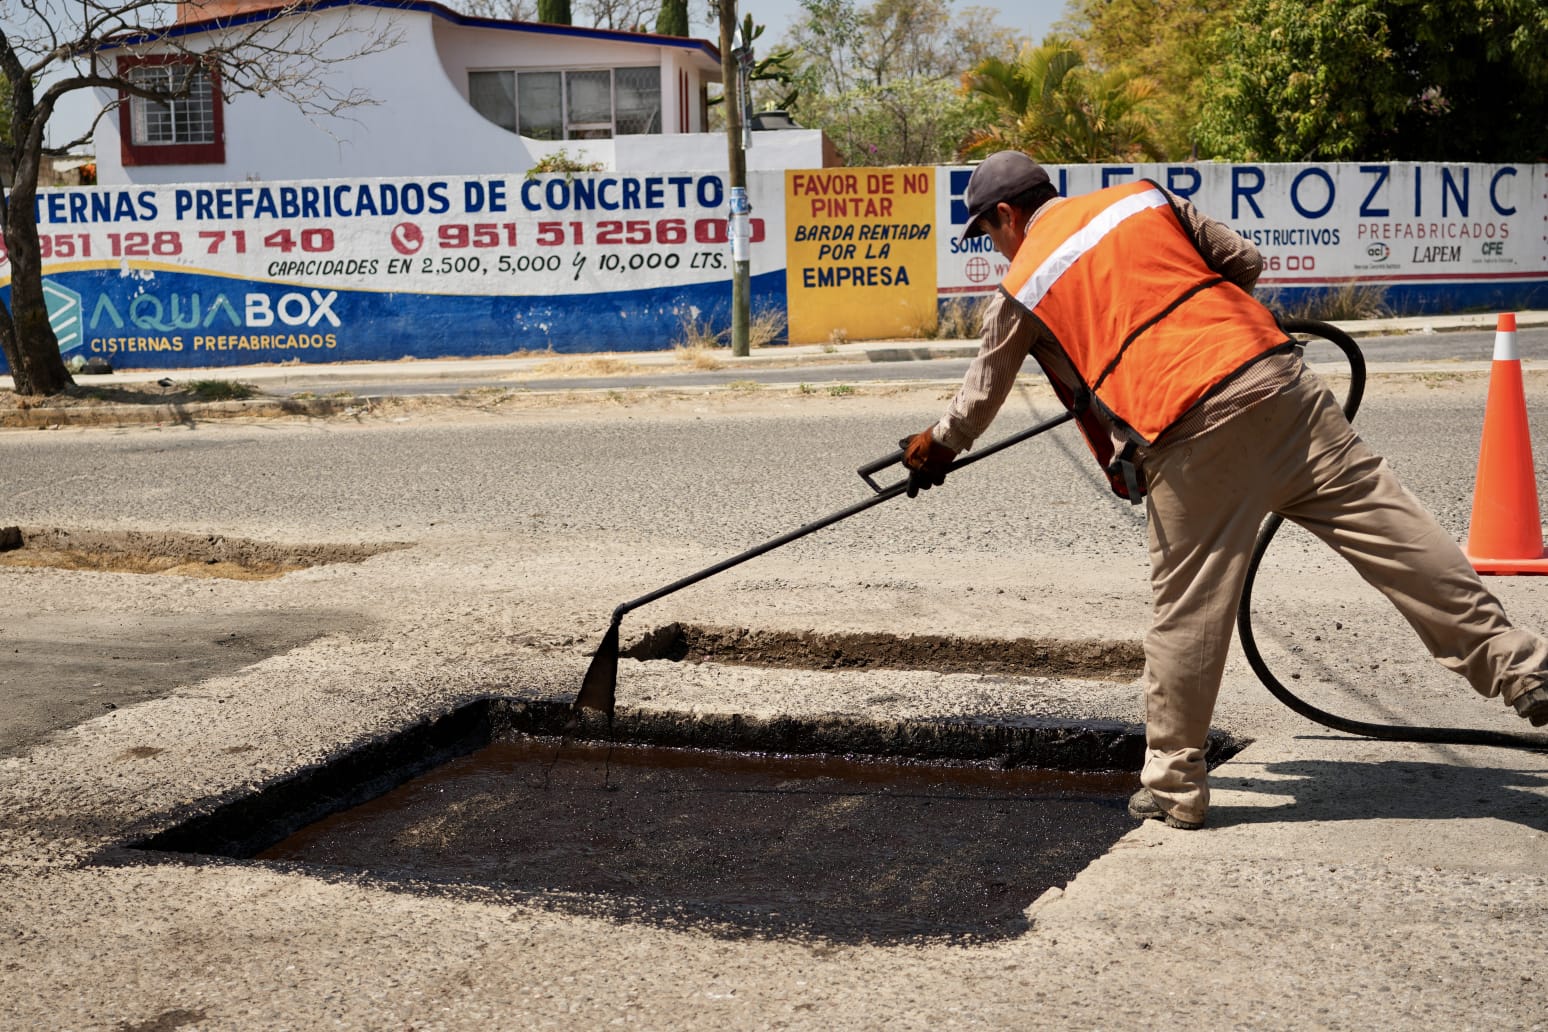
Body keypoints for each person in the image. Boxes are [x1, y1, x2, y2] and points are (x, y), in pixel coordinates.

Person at [901, 150, 1548, 830]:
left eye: (989, 234)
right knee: (1398, 535)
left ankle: (1175, 785)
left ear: (1007, 215)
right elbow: (1243, 261)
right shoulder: (1141, 199)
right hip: (1279, 384)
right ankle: (1523, 669)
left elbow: (980, 397)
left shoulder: (1025, 282)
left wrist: (934, 448)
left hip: (1188, 428)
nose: (995, 249)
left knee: (1186, 606)